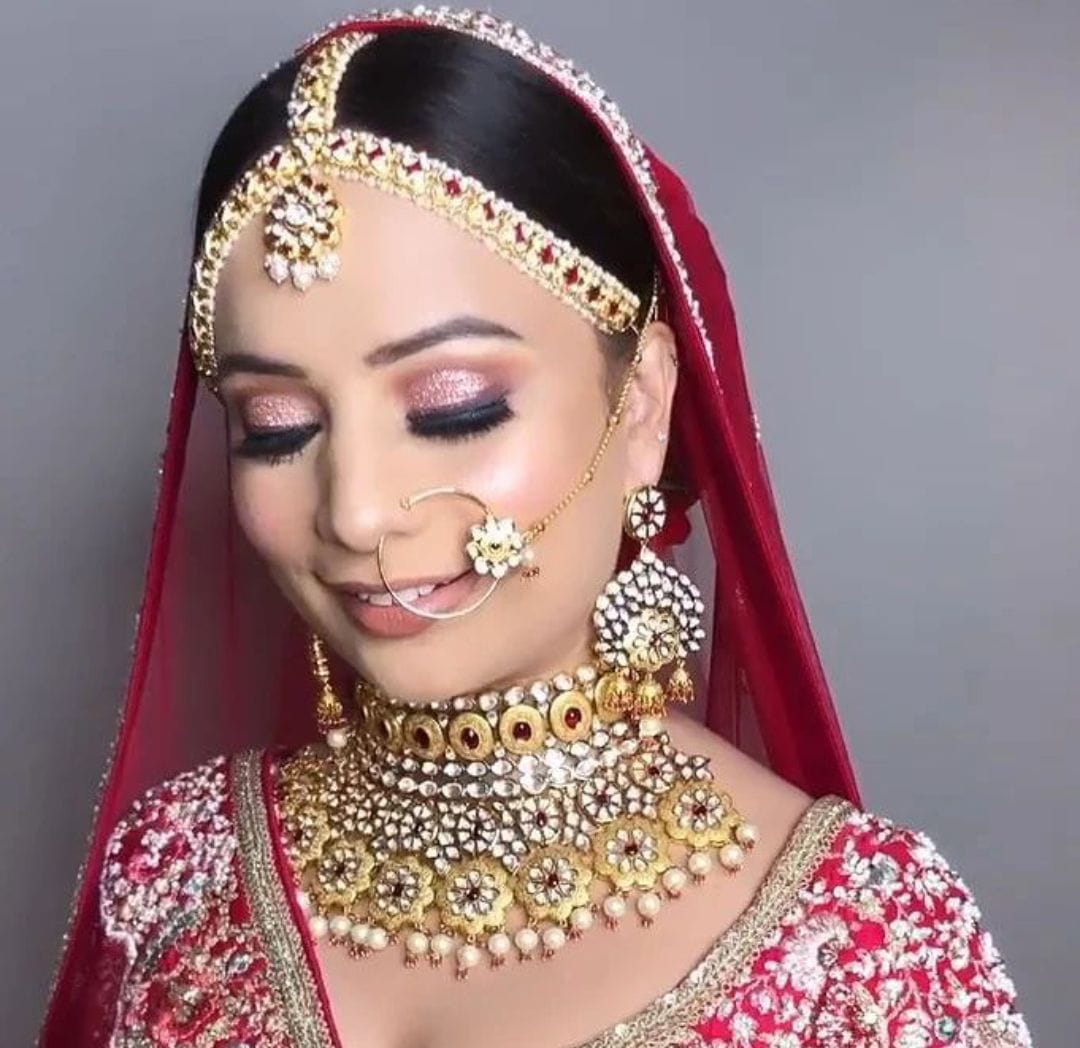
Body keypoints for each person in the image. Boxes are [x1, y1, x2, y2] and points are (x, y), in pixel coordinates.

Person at [39, 9, 1032, 1047]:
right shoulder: (182, 868)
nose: (355, 510)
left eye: (454, 410)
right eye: (276, 427)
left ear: (640, 407)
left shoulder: (862, 942)